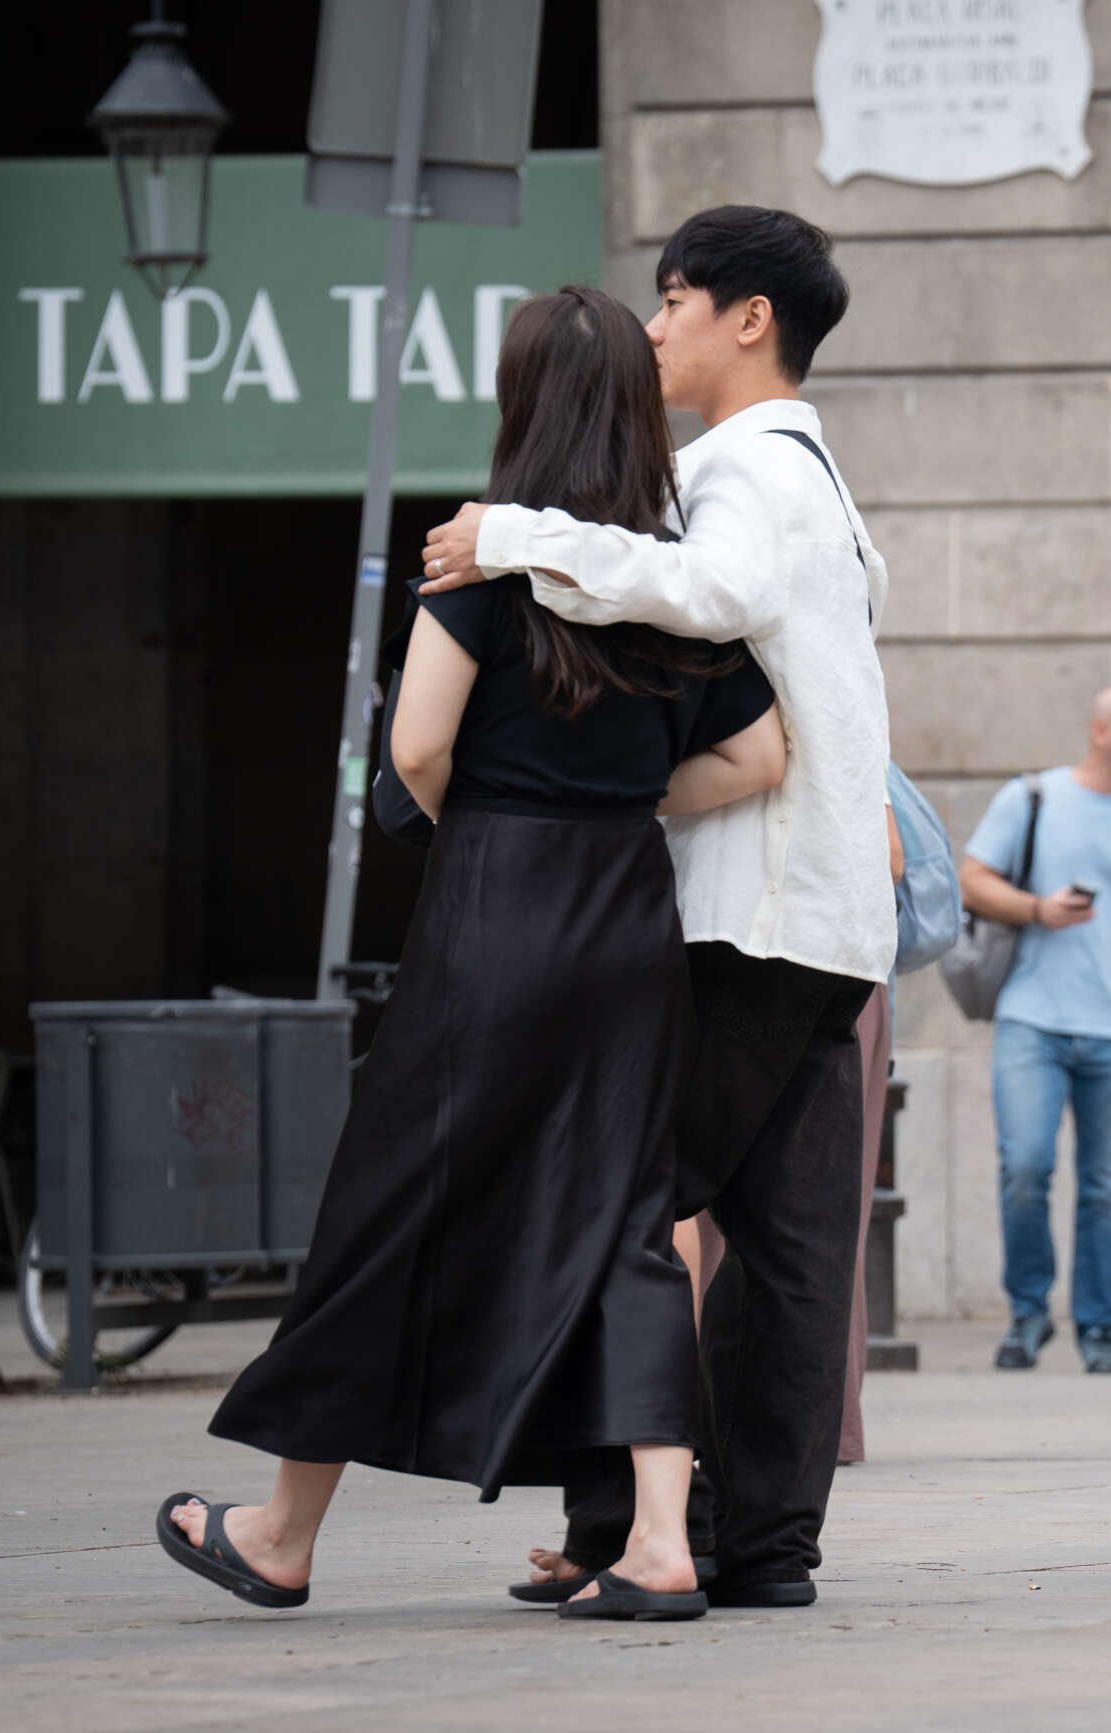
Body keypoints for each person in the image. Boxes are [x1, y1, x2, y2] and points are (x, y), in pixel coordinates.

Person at [159, 286, 785, 1621]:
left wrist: (502, 825)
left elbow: (415, 750)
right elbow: (765, 751)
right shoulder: (667, 580)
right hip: (627, 922)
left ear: (520, 404)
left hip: (494, 909)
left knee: (394, 1204)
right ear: (629, 406)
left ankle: (281, 1532)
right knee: (631, 1221)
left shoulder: (481, 565)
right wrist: (624, 809)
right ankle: (664, 1543)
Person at [419, 205, 893, 1611]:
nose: (659, 326)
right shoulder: (816, 476)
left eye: (677, 298)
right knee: (797, 1245)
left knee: (616, 1211)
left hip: (741, 909)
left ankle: (629, 1525)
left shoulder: (743, 468)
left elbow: (715, 590)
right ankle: (761, 1546)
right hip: (819, 915)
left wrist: (518, 533)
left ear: (750, 318)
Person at [960, 686, 1111, 1374]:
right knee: (1025, 1168)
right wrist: (1037, 908)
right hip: (1031, 1020)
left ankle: (1101, 1328)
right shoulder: (1031, 798)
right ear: (1101, 731)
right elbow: (972, 879)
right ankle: (1028, 1312)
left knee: (1106, 1185)